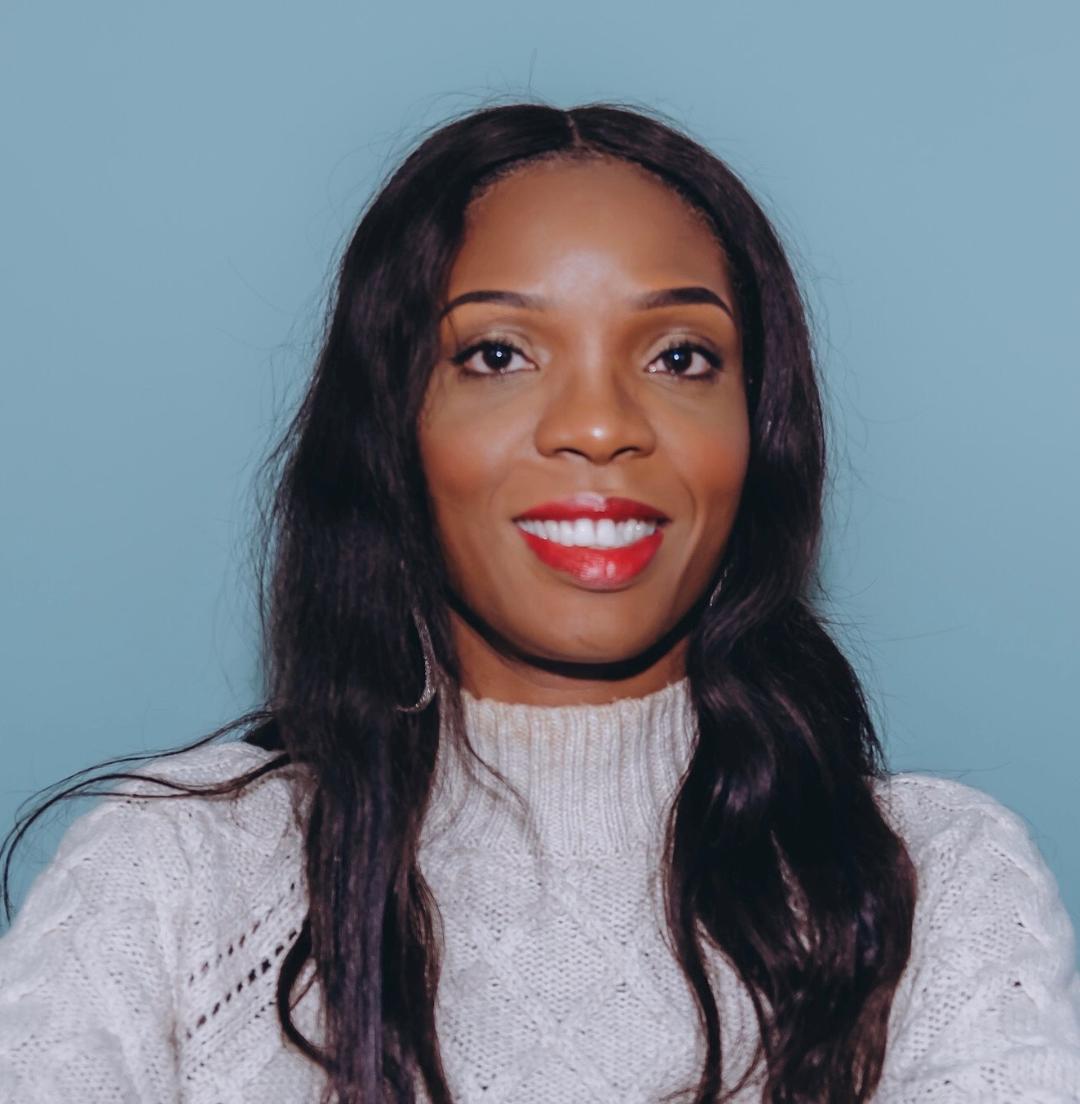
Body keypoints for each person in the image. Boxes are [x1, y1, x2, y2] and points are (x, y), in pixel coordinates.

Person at [1, 101, 1078, 1104]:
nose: (601, 426)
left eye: (679, 354)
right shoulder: (170, 875)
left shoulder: (933, 885)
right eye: (499, 353)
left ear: (759, 431)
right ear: (391, 426)